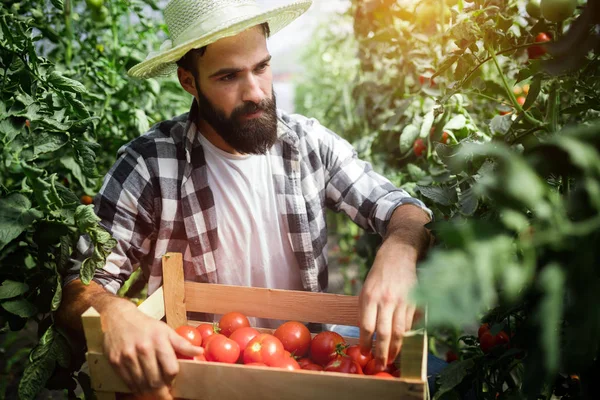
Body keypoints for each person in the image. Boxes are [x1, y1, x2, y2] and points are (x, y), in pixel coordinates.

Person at [55, 0, 435, 398]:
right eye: (228, 77)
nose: (255, 92)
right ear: (189, 82)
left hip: (302, 366)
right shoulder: (149, 164)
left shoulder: (308, 144)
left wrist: (400, 249)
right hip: (198, 376)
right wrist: (114, 311)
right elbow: (79, 285)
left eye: (261, 67)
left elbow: (403, 210)